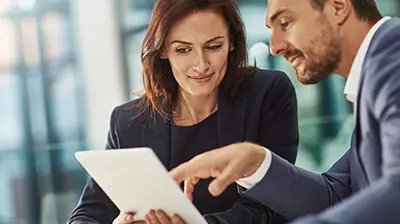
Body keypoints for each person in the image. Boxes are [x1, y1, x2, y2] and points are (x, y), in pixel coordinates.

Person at [67, 0, 299, 223]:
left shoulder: (268, 93)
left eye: (213, 46)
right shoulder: (128, 121)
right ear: (163, 50)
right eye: (183, 50)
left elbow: (268, 204)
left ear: (232, 43)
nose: (201, 65)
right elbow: (88, 213)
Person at [171, 0, 400, 223]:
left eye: (286, 22)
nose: (275, 47)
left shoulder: (393, 60)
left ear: (338, 6)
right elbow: (336, 196)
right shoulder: (377, 72)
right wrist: (256, 163)